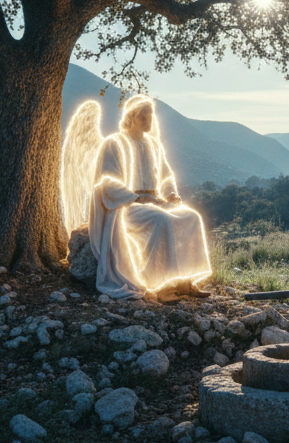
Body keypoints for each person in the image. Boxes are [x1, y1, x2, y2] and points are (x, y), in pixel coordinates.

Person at [84, 95, 211, 299]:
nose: (150, 121)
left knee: (192, 218)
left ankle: (186, 281)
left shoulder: (153, 145)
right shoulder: (114, 143)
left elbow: (166, 175)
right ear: (132, 117)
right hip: (127, 207)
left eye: (151, 116)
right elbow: (106, 183)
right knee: (160, 220)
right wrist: (135, 197)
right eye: (144, 116)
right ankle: (159, 287)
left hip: (155, 202)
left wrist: (170, 194)